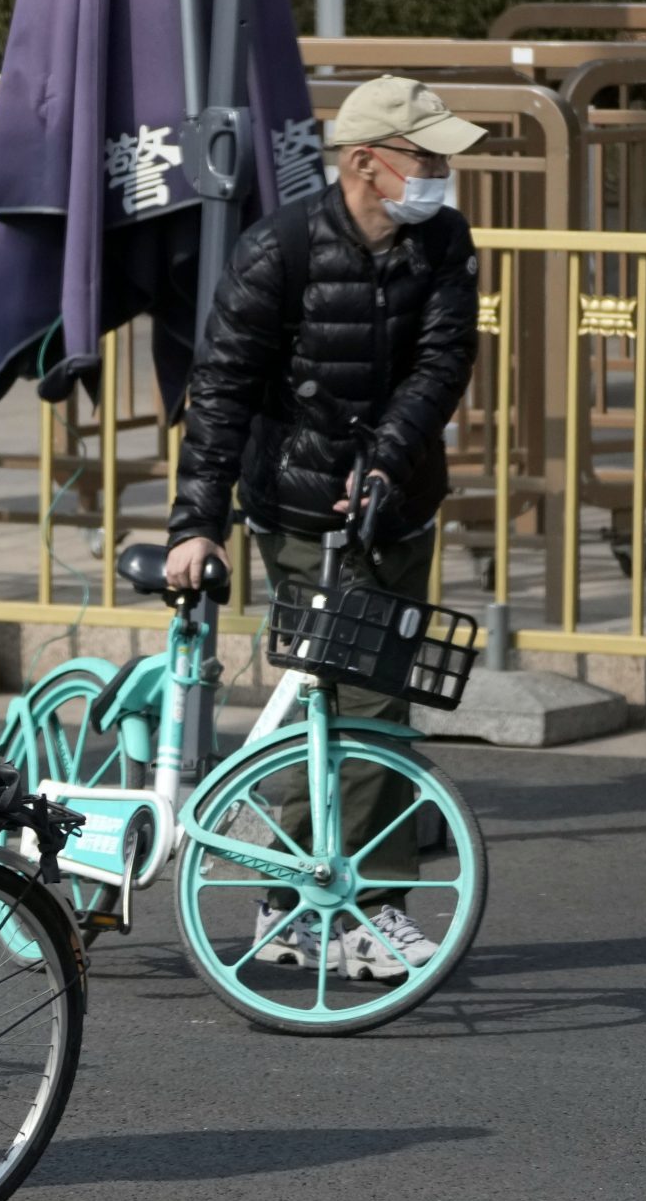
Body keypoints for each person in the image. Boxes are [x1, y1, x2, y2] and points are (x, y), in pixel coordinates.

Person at [165, 74, 483, 980]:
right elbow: (219, 390)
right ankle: (364, 912)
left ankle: (285, 892)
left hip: (402, 497)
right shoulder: (280, 251)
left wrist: (384, 458)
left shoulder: (443, 242)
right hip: (300, 505)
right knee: (368, 694)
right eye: (425, 158)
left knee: (340, 695)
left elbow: (444, 355)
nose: (439, 174)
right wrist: (199, 522)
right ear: (365, 163)